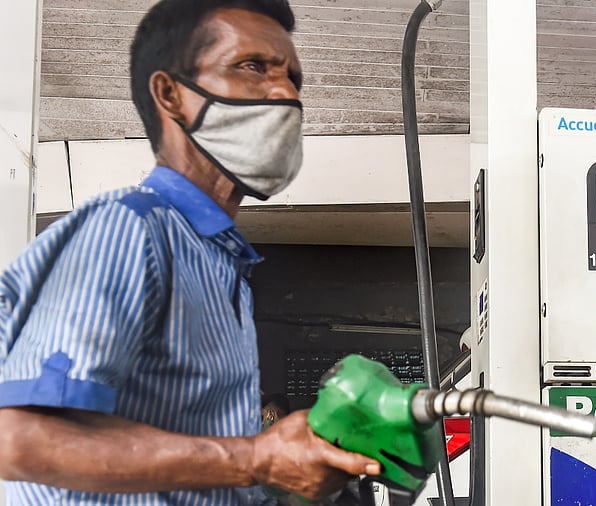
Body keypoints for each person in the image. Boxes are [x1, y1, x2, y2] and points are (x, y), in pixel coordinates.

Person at [0, 0, 380, 504]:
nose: (286, 93)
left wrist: (283, 467)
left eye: (293, 78)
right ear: (171, 95)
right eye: (251, 66)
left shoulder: (217, 259)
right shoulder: (130, 229)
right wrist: (256, 458)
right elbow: (18, 440)